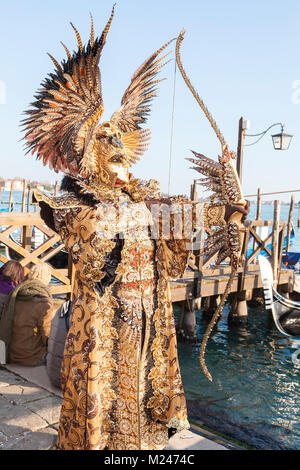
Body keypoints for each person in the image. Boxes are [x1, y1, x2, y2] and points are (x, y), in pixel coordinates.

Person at [22, 8, 249, 450]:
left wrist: (230, 206)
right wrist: (137, 214)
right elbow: (83, 230)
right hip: (105, 316)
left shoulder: (147, 202)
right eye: (115, 160)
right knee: (103, 393)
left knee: (143, 390)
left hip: (148, 309)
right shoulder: (76, 202)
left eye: (127, 159)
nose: (125, 169)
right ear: (93, 158)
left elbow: (191, 215)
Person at [0, 264, 54, 366]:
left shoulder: (16, 294)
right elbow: (47, 335)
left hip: (11, 354)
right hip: (31, 357)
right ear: (47, 280)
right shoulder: (44, 302)